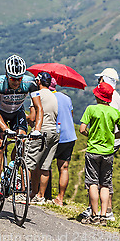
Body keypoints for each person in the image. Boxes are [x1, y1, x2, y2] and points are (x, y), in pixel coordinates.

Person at [0, 54, 43, 198]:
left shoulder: (30, 83)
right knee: (0, 144)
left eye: (19, 79)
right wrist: (5, 129)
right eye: (13, 79)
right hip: (0, 112)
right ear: (7, 75)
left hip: (17, 112)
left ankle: (12, 165)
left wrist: (37, 129)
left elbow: (39, 108)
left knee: (22, 140)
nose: (16, 82)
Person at [79, 82, 120, 226]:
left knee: (93, 183)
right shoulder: (115, 112)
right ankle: (104, 215)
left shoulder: (91, 109)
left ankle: (94, 215)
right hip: (108, 152)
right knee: (105, 184)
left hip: (93, 151)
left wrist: (91, 135)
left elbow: (82, 129)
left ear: (97, 96)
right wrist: (112, 137)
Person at [26, 72, 59, 204]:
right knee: (45, 166)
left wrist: (26, 117)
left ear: (38, 82)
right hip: (54, 132)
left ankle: (26, 192)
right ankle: (40, 196)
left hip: (41, 131)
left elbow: (33, 117)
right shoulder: (53, 96)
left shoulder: (37, 94)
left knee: (29, 164)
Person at [49, 78, 77, 207]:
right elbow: (70, 115)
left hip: (55, 135)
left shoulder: (46, 97)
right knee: (63, 167)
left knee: (45, 164)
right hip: (70, 136)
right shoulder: (66, 98)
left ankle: (43, 194)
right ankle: (60, 198)